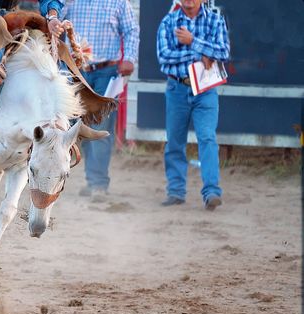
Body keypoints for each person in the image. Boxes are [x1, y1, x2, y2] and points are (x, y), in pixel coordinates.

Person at [60, 0, 139, 201]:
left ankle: (98, 184)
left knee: (101, 126)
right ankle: (89, 179)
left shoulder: (119, 2)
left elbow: (131, 30)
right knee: (77, 125)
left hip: (107, 71)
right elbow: (55, 21)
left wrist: (129, 57)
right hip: (76, 71)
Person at [156, 0, 230, 211]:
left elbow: (223, 52)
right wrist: (201, 54)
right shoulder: (169, 21)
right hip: (177, 88)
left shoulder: (215, 20)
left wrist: (193, 41)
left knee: (207, 138)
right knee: (175, 142)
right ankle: (176, 192)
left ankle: (212, 192)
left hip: (205, 90)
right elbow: (164, 57)